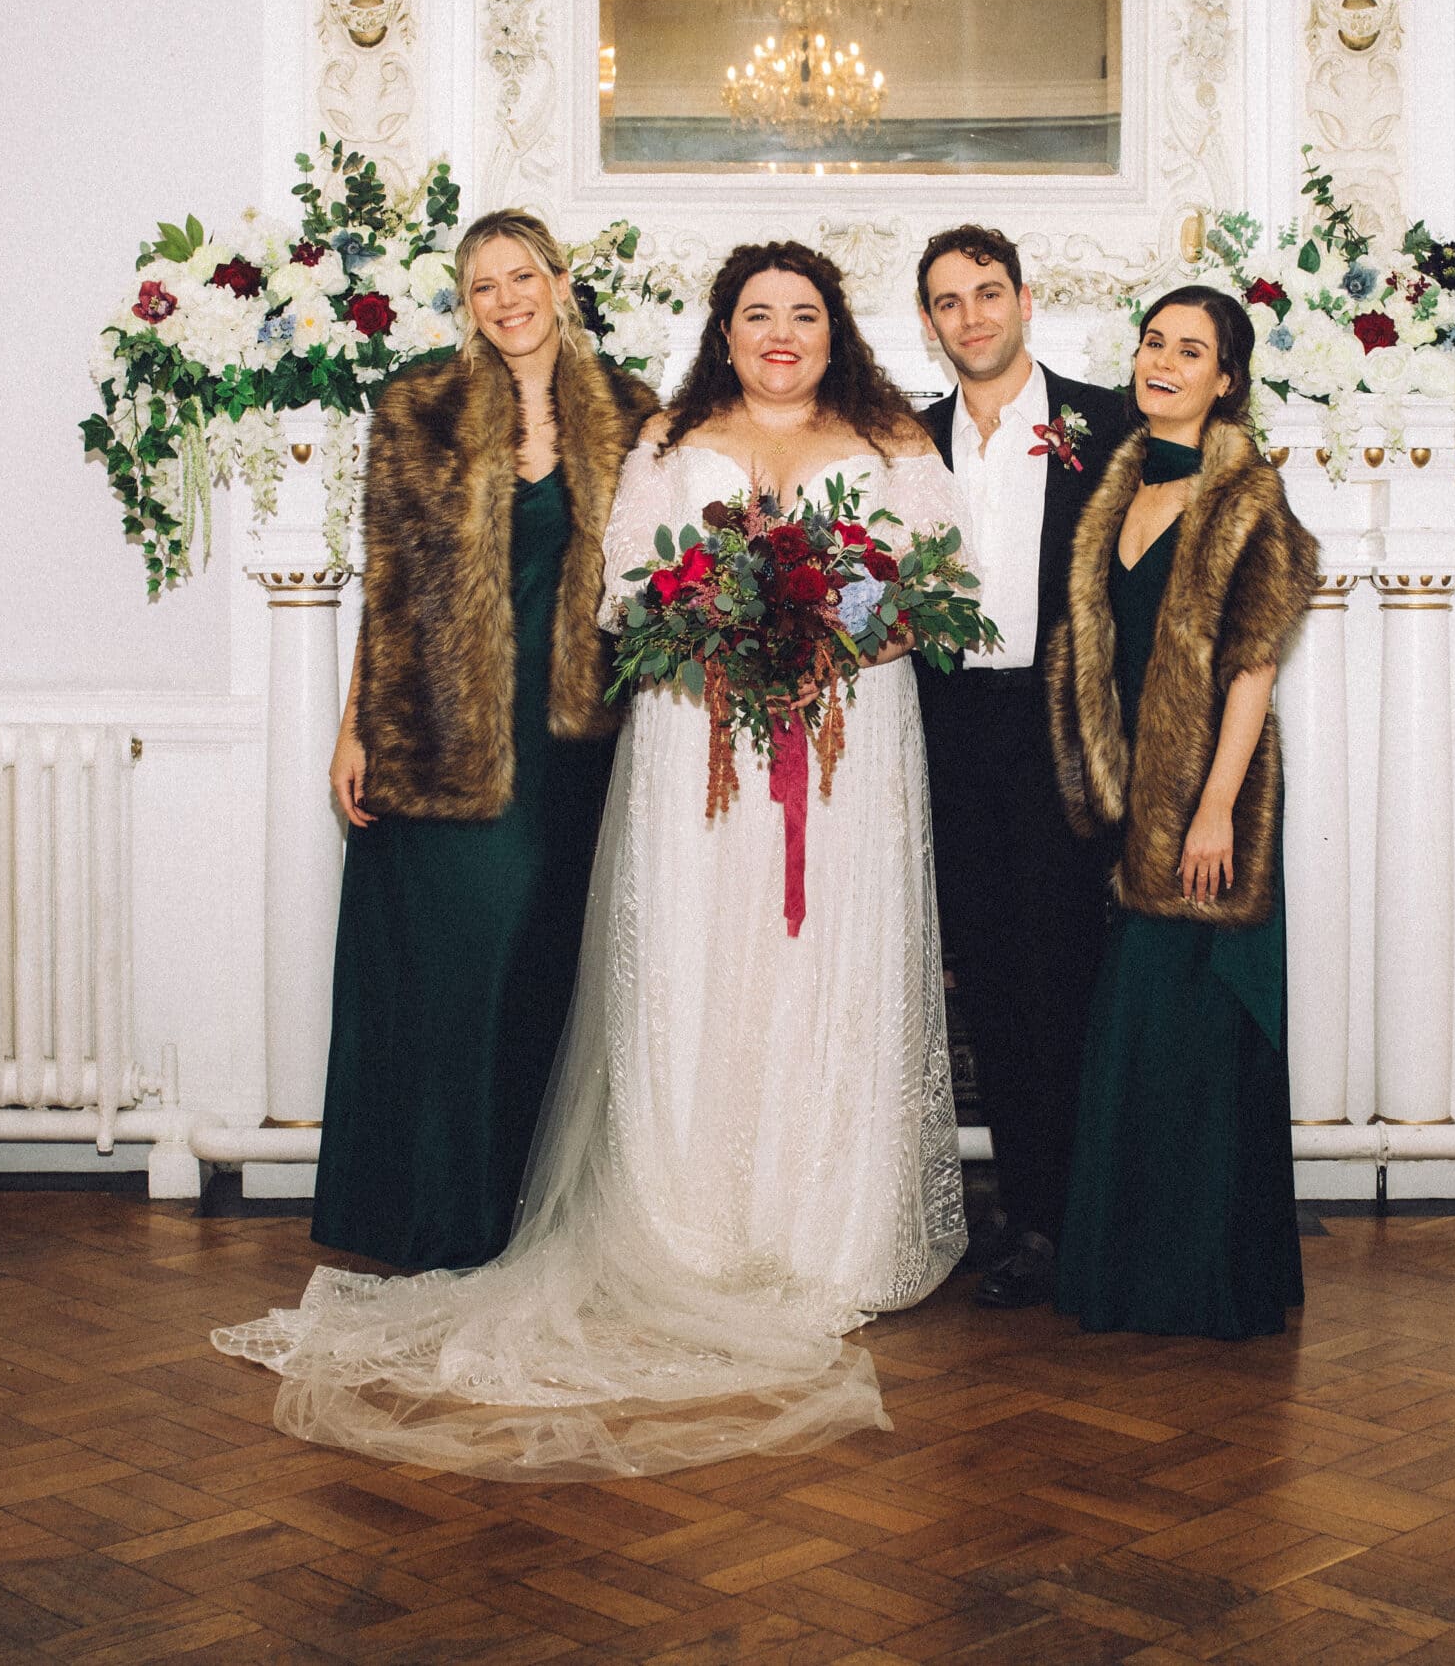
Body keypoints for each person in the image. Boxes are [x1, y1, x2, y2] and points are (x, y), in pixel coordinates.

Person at [216, 241, 968, 1480]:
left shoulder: (893, 441)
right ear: (723, 331)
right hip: (697, 737)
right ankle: (685, 1226)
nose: (780, 334)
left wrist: (825, 647)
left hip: (846, 745)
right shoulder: (668, 436)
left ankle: (825, 1226)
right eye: (756, 314)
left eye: (803, 314)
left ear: (837, 331)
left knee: (826, 960)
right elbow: (627, 585)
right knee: (698, 961)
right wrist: (723, 645)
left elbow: (935, 581)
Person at [308, 209, 659, 1273]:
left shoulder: (633, 413)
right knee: (450, 978)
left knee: (537, 974)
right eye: (482, 286)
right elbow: (388, 586)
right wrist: (353, 729)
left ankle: (517, 1218)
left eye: (522, 277)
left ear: (559, 283)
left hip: (572, 749)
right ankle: (432, 1218)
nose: (506, 301)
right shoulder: (417, 406)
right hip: (438, 739)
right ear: (465, 306)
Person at [1043, 285, 1318, 1339]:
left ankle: (1206, 1281)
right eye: (1153, 343)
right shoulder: (1115, 484)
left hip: (1211, 804)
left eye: (1190, 350)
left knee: (1199, 1037)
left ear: (1227, 378)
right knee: (1138, 1041)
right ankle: (1131, 1272)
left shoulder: (1248, 498)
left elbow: (1252, 670)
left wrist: (1213, 812)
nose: (1162, 362)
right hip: (1125, 801)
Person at [911, 225, 1130, 1309]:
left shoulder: (1109, 423)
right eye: (949, 301)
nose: (972, 316)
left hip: (1065, 730)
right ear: (928, 323)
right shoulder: (907, 442)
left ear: (1025, 299)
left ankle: (1073, 1217)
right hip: (952, 733)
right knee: (990, 979)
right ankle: (1026, 1207)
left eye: (988, 292)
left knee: (1067, 975)